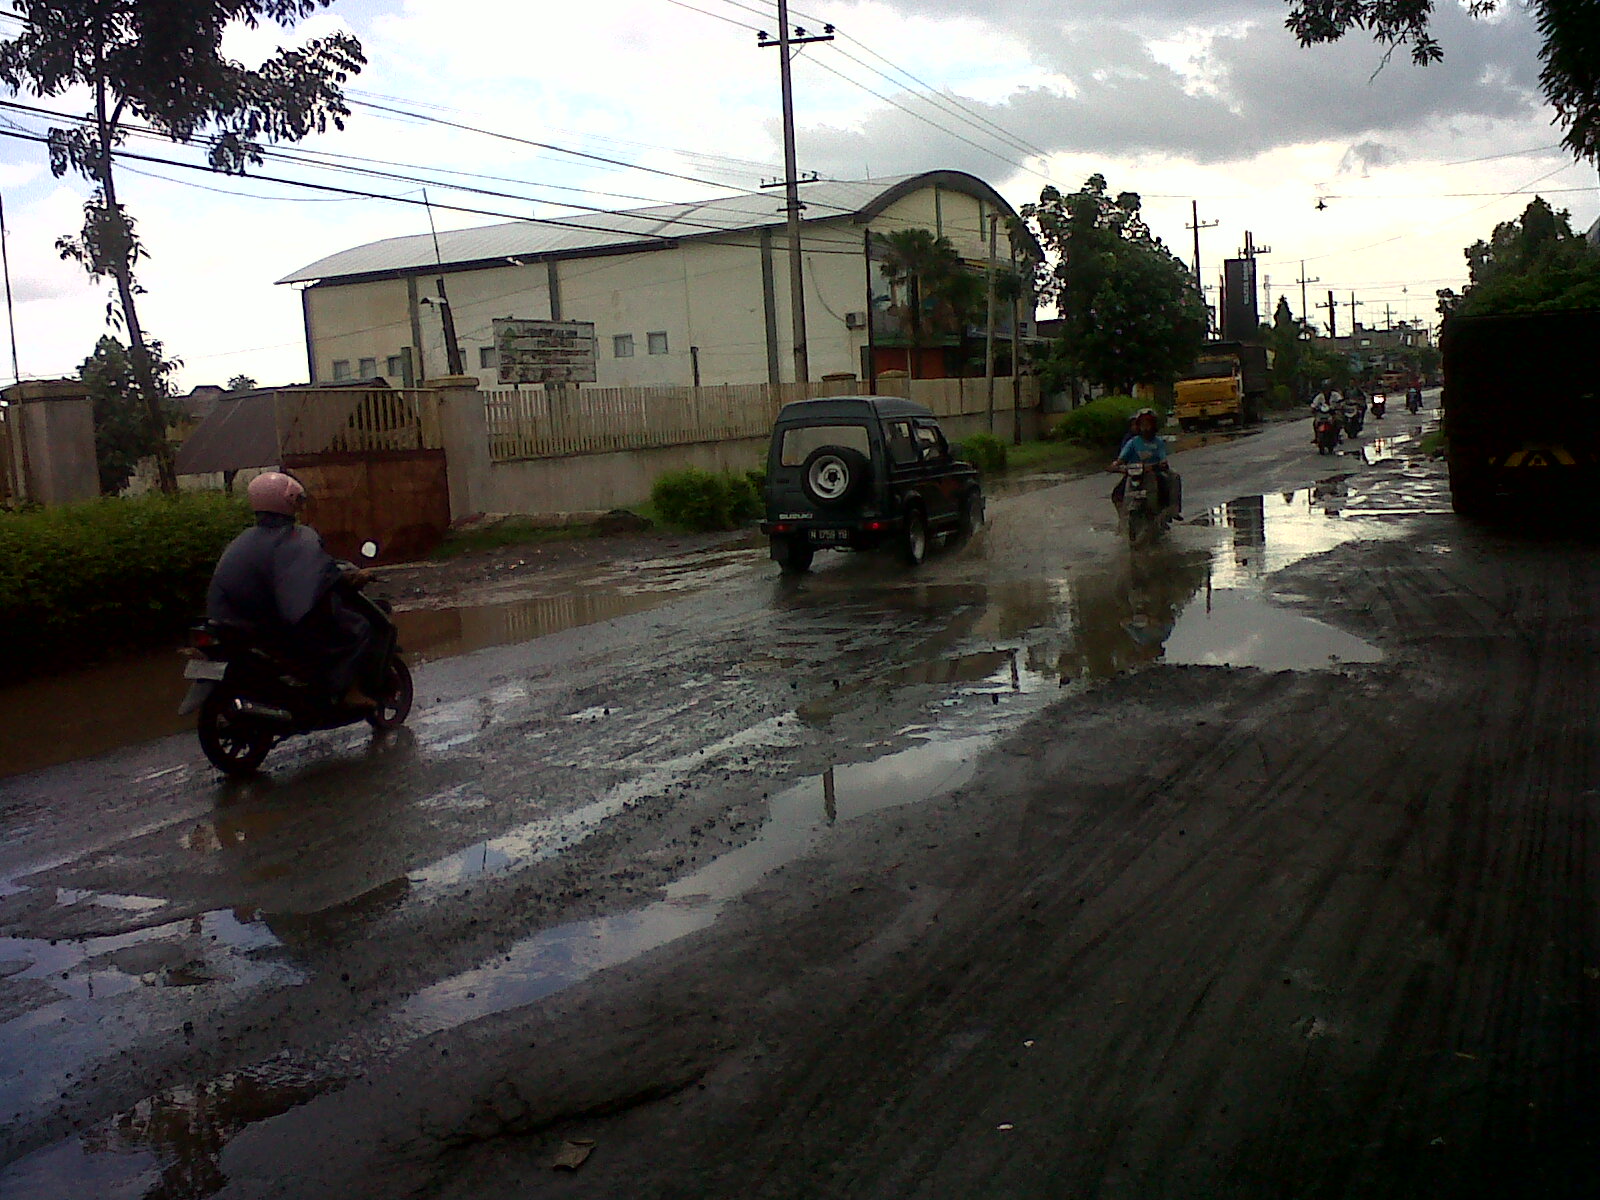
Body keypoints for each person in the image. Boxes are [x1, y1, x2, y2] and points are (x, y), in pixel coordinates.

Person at [207, 471, 381, 708]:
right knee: (357, 628)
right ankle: (347, 691)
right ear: (288, 501)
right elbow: (321, 576)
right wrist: (351, 578)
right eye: (297, 501)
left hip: (237, 622)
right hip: (274, 624)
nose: (300, 507)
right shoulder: (296, 538)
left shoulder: (245, 539)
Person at [1109, 408, 1181, 517]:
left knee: (1173, 479)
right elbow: (1121, 459)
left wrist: (1160, 464)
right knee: (1117, 494)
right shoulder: (1133, 442)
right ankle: (1122, 517)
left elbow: (1163, 459)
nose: (1145, 427)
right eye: (1143, 424)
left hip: (1153, 473)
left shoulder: (1158, 443)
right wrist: (1115, 466)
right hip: (1134, 474)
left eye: (1148, 424)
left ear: (1153, 425)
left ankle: (1172, 510)